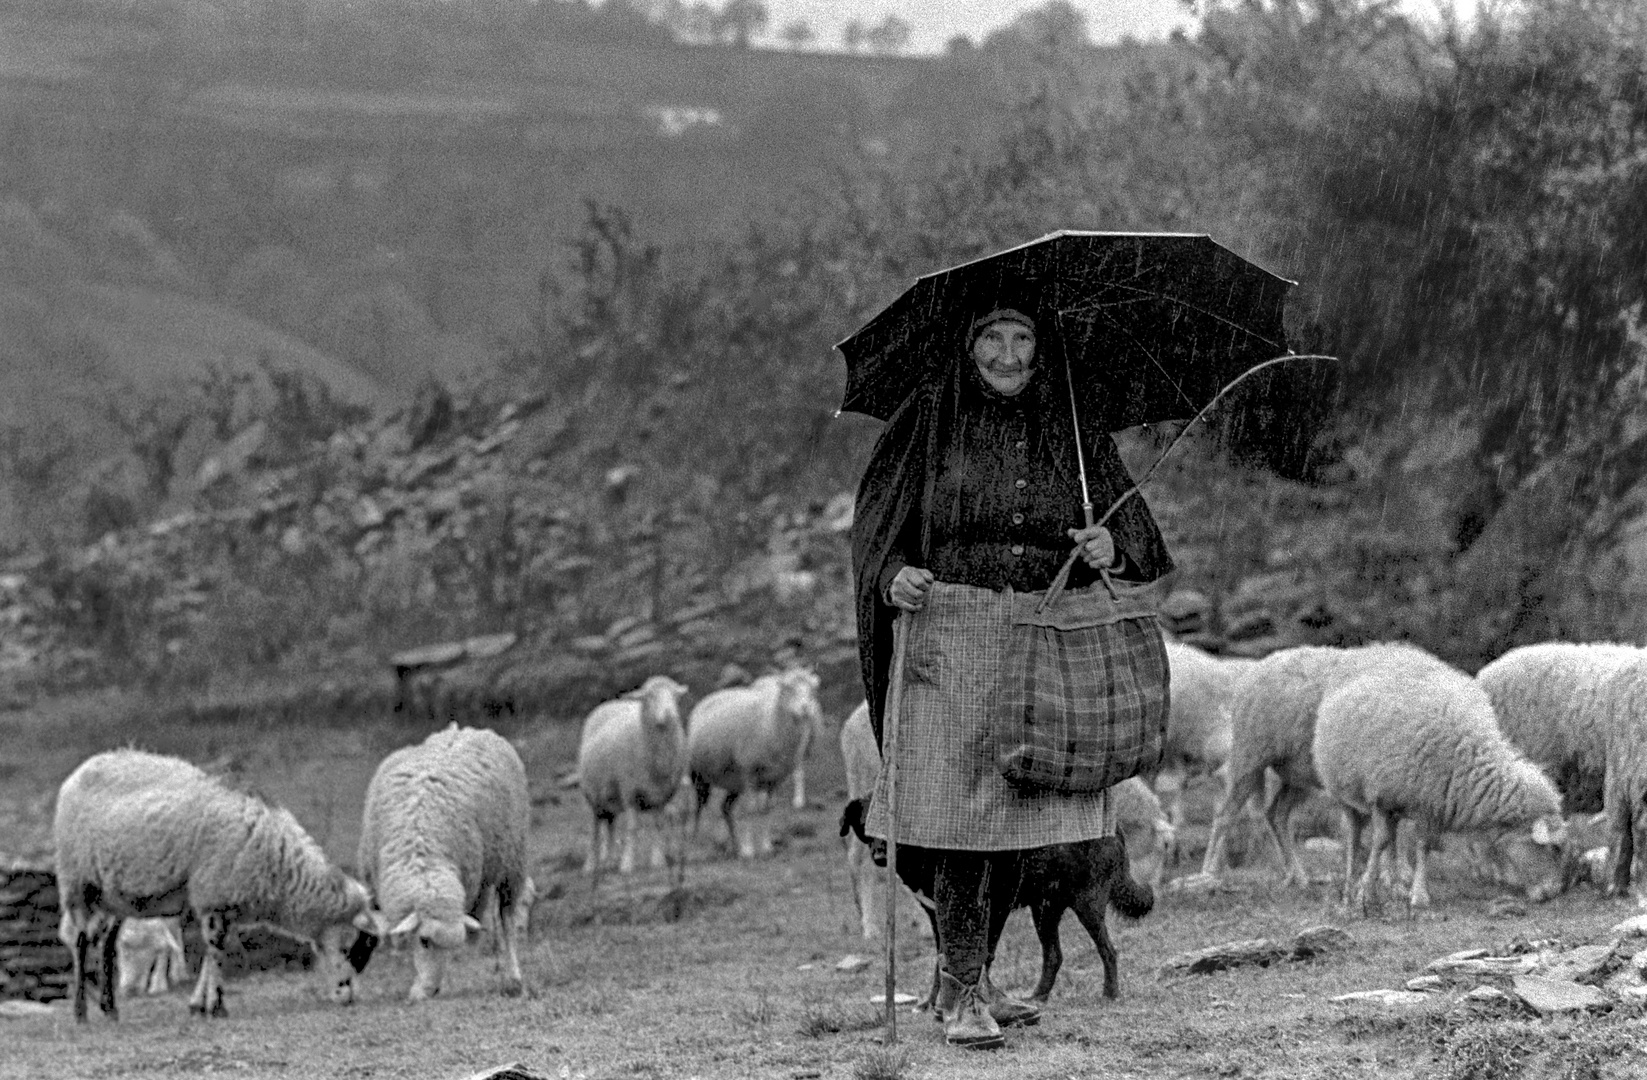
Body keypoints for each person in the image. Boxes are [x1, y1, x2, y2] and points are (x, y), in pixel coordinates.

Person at [850, 300, 1175, 1048]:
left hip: (1041, 636)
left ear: (1039, 348)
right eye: (990, 337)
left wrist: (1108, 545)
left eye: (1020, 338)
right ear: (968, 349)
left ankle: (974, 977)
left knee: (1017, 823)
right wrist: (891, 573)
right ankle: (962, 990)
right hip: (950, 636)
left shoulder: (1070, 425)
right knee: (959, 820)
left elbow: (1132, 531)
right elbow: (875, 529)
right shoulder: (927, 420)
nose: (1006, 353)